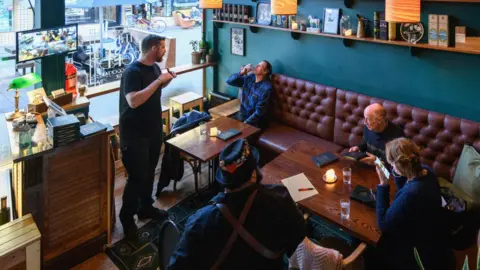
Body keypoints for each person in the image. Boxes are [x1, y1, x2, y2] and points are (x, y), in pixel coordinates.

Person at [167, 139, 306, 270]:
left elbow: (177, 266)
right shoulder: (282, 199)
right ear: (253, 174)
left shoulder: (200, 222)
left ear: (224, 179)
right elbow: (300, 246)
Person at [119, 34, 176, 239]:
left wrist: (165, 80)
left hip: (153, 130)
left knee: (150, 172)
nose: (164, 51)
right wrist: (159, 80)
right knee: (136, 177)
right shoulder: (131, 72)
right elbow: (134, 100)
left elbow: (154, 89)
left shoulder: (155, 68)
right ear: (153, 48)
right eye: (162, 48)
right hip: (134, 135)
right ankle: (126, 219)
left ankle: (145, 207)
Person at [374, 137, 455, 270]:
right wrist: (397, 172)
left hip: (416, 246)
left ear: (400, 164)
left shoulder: (411, 193)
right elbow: (404, 186)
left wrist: (383, 185)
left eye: (393, 165)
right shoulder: (427, 171)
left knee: (375, 243)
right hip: (431, 230)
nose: (392, 167)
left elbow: (384, 224)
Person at [226, 60, 273, 129]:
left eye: (260, 66)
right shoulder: (250, 78)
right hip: (242, 115)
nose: (256, 66)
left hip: (255, 122)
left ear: (265, 72)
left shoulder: (266, 88)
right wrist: (241, 73)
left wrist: (244, 124)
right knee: (223, 127)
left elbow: (259, 113)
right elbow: (229, 81)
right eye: (257, 64)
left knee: (236, 136)